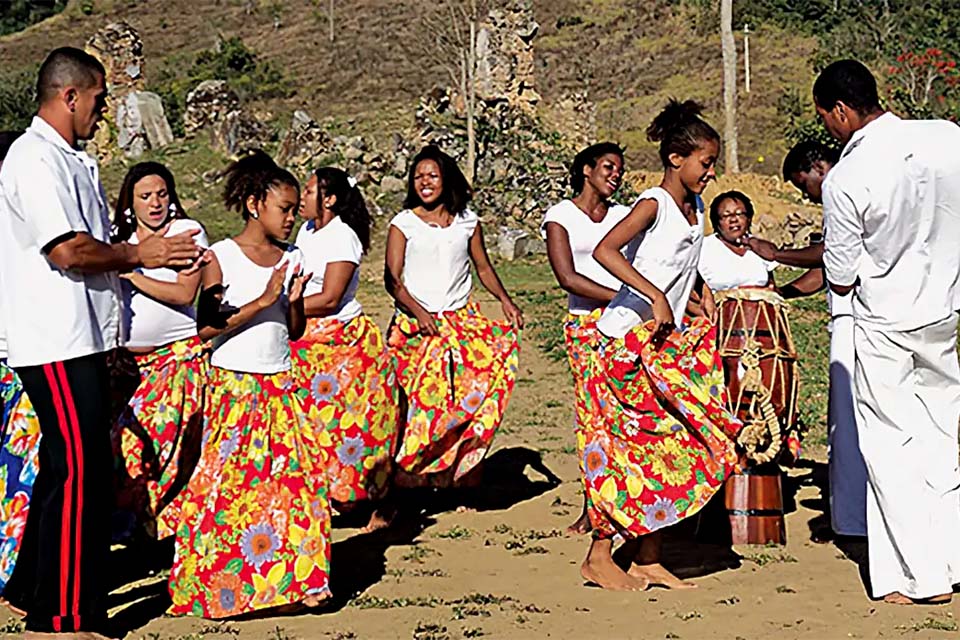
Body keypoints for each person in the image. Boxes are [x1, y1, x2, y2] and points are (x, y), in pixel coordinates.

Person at [0, 48, 199, 636]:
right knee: (83, 469)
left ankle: (31, 586)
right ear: (69, 96)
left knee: (69, 462)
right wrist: (145, 252)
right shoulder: (32, 159)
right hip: (53, 335)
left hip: (83, 334)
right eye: (98, 98)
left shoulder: (74, 162)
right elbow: (68, 251)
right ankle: (61, 616)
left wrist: (111, 338)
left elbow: (94, 259)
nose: (103, 109)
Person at [815, 60, 960, 605]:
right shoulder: (947, 138)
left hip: (885, 323)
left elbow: (842, 273)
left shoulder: (848, 176)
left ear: (842, 111)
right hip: (943, 313)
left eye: (828, 118)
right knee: (939, 438)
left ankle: (919, 577)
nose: (830, 129)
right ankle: (952, 557)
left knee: (891, 446)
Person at [583, 99, 742, 591]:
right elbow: (605, 250)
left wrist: (696, 298)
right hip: (623, 344)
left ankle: (649, 555)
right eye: (705, 163)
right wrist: (654, 295)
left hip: (661, 345)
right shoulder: (652, 203)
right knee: (623, 452)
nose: (710, 173)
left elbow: (680, 269)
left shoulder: (693, 208)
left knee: (669, 447)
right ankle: (598, 554)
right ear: (677, 158)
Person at [167, 151, 331, 618]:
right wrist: (263, 300)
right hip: (234, 387)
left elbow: (294, 329)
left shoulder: (294, 256)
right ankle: (219, 585)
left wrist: (292, 302)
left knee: (298, 483)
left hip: (281, 382)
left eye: (296, 207)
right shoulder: (220, 256)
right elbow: (207, 327)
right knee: (229, 489)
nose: (292, 217)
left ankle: (307, 580)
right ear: (256, 204)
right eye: (285, 207)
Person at [749, 140, 868, 542]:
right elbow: (825, 271)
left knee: (851, 423)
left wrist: (777, 253)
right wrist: (783, 294)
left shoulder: (845, 190)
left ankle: (853, 520)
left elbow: (826, 253)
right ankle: (850, 512)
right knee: (845, 422)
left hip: (860, 322)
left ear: (819, 167)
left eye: (805, 185)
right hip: (851, 319)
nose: (806, 195)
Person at [384, 145, 522, 491]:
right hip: (415, 329)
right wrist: (419, 313)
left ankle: (460, 476)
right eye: (418, 177)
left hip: (462, 326)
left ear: (446, 179)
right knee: (415, 409)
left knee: (464, 402)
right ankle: (405, 483)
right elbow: (393, 279)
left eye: (431, 175)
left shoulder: (467, 222)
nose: (424, 182)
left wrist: (505, 300)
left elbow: (484, 267)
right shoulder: (403, 224)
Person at [291, 167, 399, 532]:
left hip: (343, 344)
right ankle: (328, 496)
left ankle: (382, 502)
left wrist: (278, 305)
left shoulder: (342, 238)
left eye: (308, 191)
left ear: (330, 199)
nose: (302, 198)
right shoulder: (306, 232)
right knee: (313, 428)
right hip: (306, 342)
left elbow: (330, 297)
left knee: (358, 428)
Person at [109, 162, 211, 543]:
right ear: (130, 202)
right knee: (120, 448)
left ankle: (154, 528)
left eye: (162, 194)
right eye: (145, 196)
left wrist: (132, 271)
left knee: (157, 450)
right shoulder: (117, 237)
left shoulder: (186, 232)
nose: (155, 203)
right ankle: (135, 526)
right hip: (125, 366)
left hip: (175, 359)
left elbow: (185, 293)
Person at [541, 142, 631, 535]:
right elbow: (567, 277)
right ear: (586, 170)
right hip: (587, 325)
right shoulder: (560, 216)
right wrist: (623, 296)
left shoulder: (625, 216)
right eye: (609, 167)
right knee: (592, 416)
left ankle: (628, 500)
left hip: (628, 324)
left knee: (625, 414)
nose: (616, 175)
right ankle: (592, 505)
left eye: (620, 170)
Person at [0, 131, 41, 611]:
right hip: (21, 356)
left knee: (25, 477)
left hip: (22, 358)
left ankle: (20, 577)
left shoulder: (30, 226)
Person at [697, 190, 776, 292]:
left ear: (749, 218)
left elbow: (772, 287)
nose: (733, 219)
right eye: (726, 216)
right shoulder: (703, 248)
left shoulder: (759, 246)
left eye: (739, 214)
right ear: (716, 222)